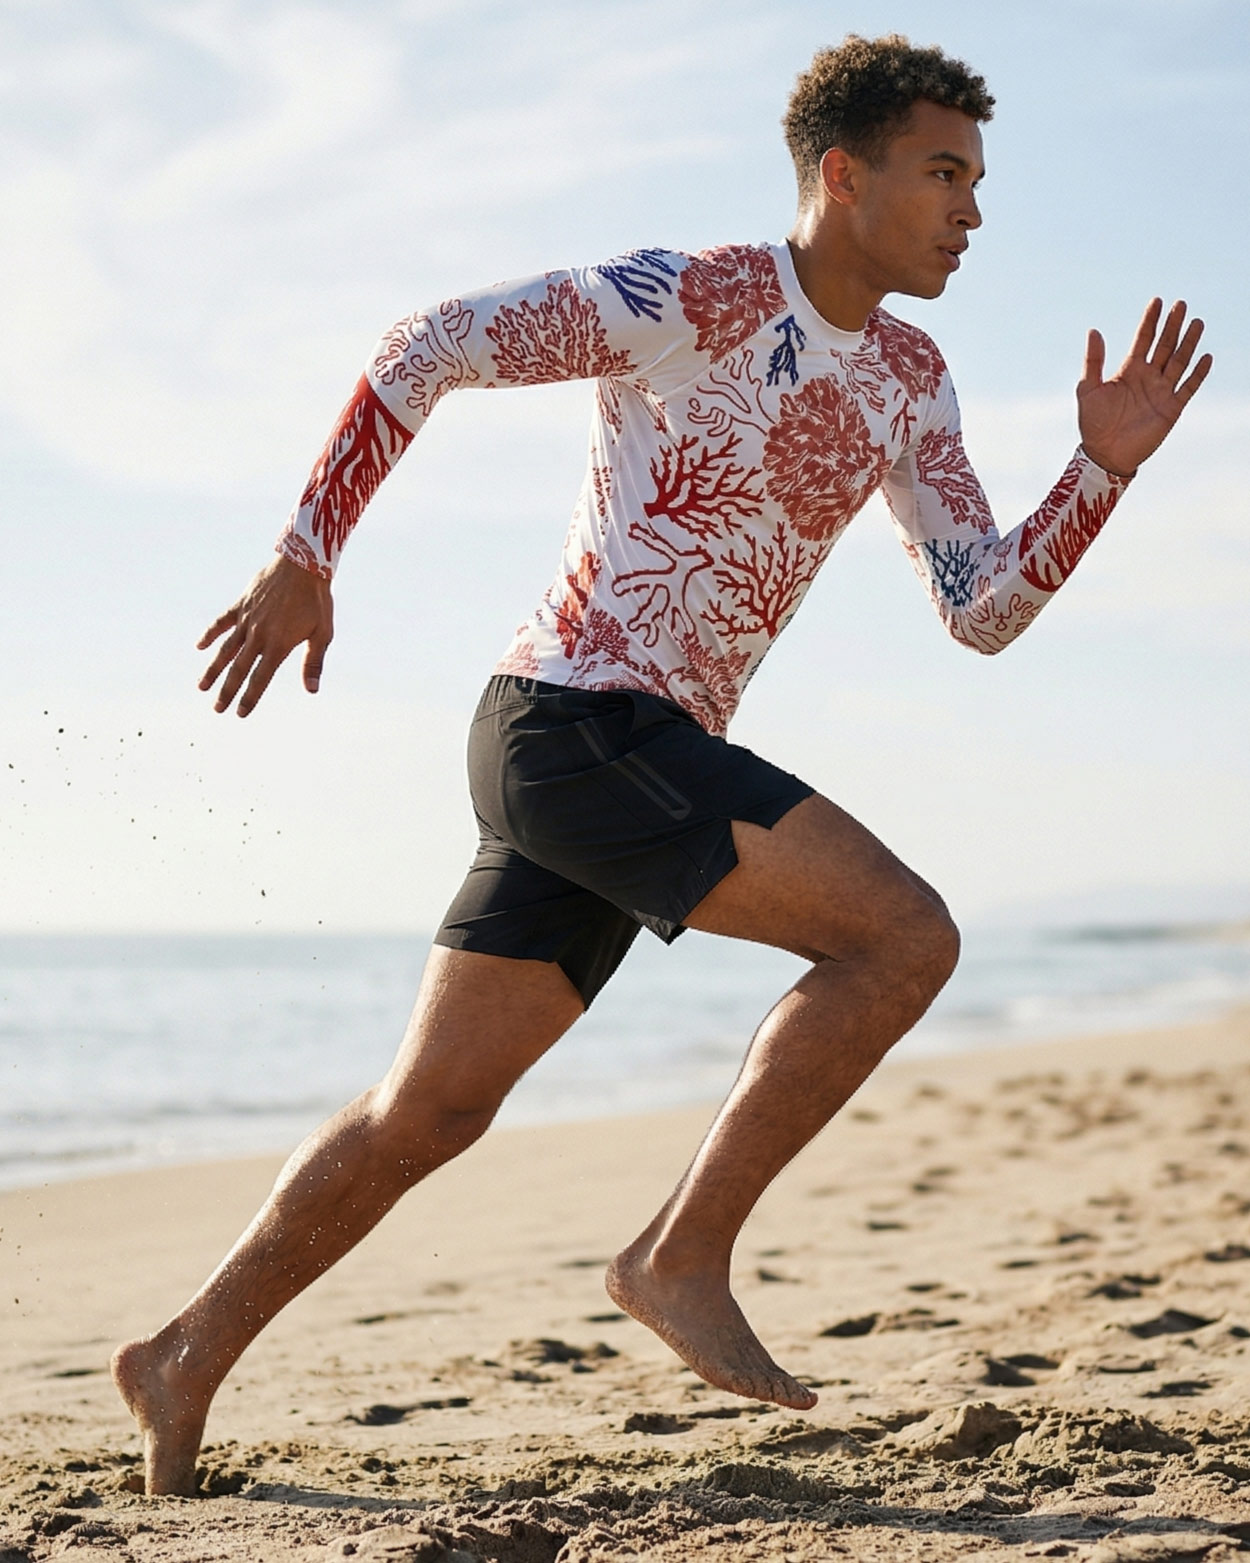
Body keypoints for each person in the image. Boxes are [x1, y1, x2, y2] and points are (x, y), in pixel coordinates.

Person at [111, 34, 1211, 1496]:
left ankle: (182, 1352)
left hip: (634, 759)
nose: (970, 210)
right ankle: (679, 1255)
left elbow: (981, 612)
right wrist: (305, 553)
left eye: (976, 181)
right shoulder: (690, 298)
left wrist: (1103, 471)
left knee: (427, 1113)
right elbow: (426, 342)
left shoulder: (907, 375)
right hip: (569, 724)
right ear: (843, 171)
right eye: (942, 172)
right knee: (901, 937)